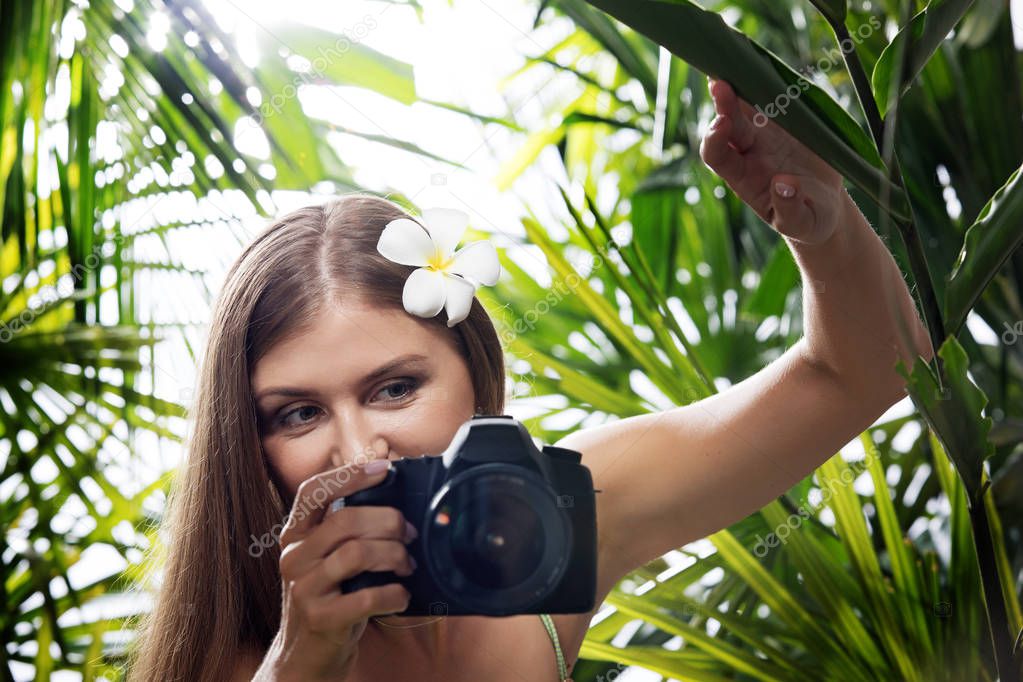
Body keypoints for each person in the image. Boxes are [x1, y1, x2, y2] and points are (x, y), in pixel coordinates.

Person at [125, 78, 933, 681]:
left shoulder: (556, 514)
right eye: (297, 413)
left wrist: (820, 224)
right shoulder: (237, 649)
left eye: (395, 388)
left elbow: (864, 372)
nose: (357, 444)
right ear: (251, 444)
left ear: (473, 378)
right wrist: (299, 663)